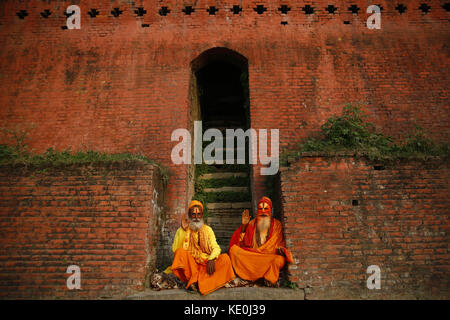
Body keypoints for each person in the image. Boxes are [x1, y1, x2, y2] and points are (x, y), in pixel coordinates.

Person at [166, 200, 235, 295]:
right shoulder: (182, 229)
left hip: (205, 265)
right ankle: (200, 281)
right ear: (189, 216)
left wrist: (211, 259)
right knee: (180, 252)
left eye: (199, 214)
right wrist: (183, 231)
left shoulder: (208, 230)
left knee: (225, 259)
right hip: (191, 265)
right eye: (193, 214)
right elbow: (176, 250)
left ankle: (197, 282)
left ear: (202, 215)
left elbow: (216, 247)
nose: (196, 217)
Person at [228, 196, 294, 285]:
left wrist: (280, 249)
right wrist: (244, 226)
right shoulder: (251, 223)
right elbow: (243, 243)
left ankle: (266, 278)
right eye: (260, 209)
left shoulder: (277, 225)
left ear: (271, 210)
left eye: (266, 208)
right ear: (257, 211)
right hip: (252, 255)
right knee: (234, 250)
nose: (263, 212)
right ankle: (259, 277)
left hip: (268, 257)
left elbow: (279, 243)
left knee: (279, 260)